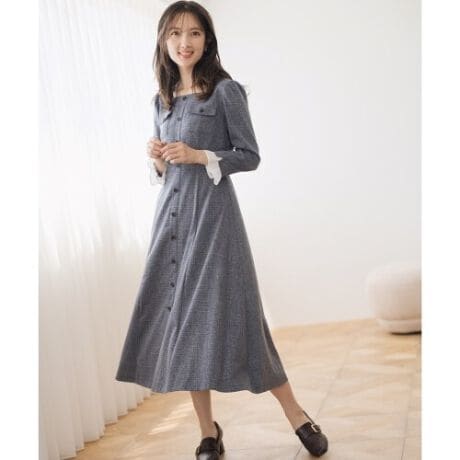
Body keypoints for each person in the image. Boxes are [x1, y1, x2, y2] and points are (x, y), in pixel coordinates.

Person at [115, 1, 328, 458]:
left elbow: (249, 156)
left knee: (243, 317)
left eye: (194, 33)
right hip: (171, 223)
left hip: (214, 222)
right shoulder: (161, 100)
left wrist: (199, 155)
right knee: (185, 325)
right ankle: (207, 431)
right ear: (163, 41)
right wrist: (158, 158)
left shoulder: (226, 92)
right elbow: (165, 174)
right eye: (175, 33)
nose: (184, 42)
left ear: (207, 39)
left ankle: (297, 415)